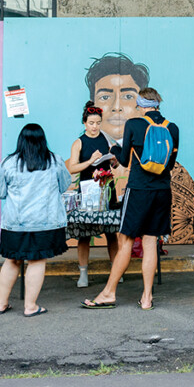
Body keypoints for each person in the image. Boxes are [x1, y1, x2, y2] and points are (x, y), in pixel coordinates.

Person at [83, 87, 178, 311]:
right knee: (150, 243)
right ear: (157, 104)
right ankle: (146, 298)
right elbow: (170, 164)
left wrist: (115, 149)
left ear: (140, 105)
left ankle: (108, 293)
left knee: (125, 242)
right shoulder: (172, 128)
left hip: (138, 190)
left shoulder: (134, 125)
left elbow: (124, 161)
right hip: (162, 190)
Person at [0, 123, 72, 317]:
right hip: (45, 222)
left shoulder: (8, 163)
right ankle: (30, 306)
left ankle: (1, 304)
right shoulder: (55, 161)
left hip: (15, 224)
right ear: (43, 141)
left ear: (21, 141)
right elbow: (64, 185)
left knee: (12, 260)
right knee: (37, 261)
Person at [64, 102, 121, 288]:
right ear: (84, 123)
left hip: (107, 189)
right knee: (84, 234)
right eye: (91, 123)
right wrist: (90, 161)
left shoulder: (106, 139)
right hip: (88, 190)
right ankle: (83, 274)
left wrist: (114, 162)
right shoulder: (78, 142)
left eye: (98, 123)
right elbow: (72, 167)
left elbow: (114, 165)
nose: (95, 127)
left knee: (111, 232)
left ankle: (116, 271)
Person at [85, 53, 150, 144]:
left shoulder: (160, 155)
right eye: (105, 97)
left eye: (128, 97)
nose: (116, 107)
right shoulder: (78, 156)